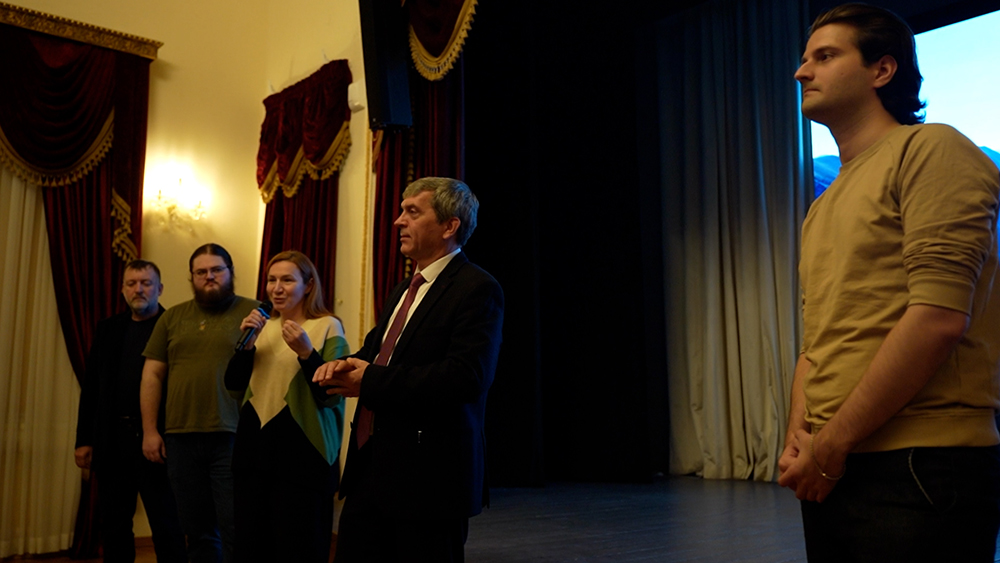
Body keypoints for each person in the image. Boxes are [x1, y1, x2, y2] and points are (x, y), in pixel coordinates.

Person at [778, 4, 1000, 562]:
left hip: (920, 466)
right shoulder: (823, 203)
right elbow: (817, 341)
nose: (802, 72)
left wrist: (829, 446)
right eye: (805, 59)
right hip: (836, 461)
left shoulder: (932, 149)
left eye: (825, 56)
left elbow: (938, 318)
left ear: (882, 69)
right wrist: (800, 440)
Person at [313, 177, 504, 563]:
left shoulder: (476, 287)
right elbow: (377, 354)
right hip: (370, 469)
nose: (398, 221)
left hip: (429, 481)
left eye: (412, 212)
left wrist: (369, 379)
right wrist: (343, 365)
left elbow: (466, 376)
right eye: (401, 211)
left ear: (449, 226)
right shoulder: (403, 289)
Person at [224, 250, 348, 563]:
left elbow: (332, 395)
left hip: (304, 462)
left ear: (308, 286)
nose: (277, 288)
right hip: (254, 457)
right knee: (251, 550)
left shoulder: (328, 326)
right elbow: (234, 387)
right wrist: (246, 346)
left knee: (300, 549)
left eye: (287, 280)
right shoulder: (260, 327)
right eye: (271, 280)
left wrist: (307, 353)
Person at [140, 243, 259, 563]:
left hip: (235, 436)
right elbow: (152, 375)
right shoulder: (172, 317)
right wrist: (150, 430)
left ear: (231, 272)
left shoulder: (255, 312)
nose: (209, 277)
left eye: (217, 270)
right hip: (180, 439)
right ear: (191, 277)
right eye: (201, 272)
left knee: (236, 527)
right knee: (196, 530)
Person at [75, 259, 186, 563]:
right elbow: (92, 388)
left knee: (167, 525)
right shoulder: (108, 329)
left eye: (146, 283)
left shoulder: (174, 328)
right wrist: (84, 439)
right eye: (132, 283)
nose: (139, 289)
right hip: (112, 443)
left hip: (158, 444)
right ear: (122, 289)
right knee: (114, 526)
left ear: (159, 289)